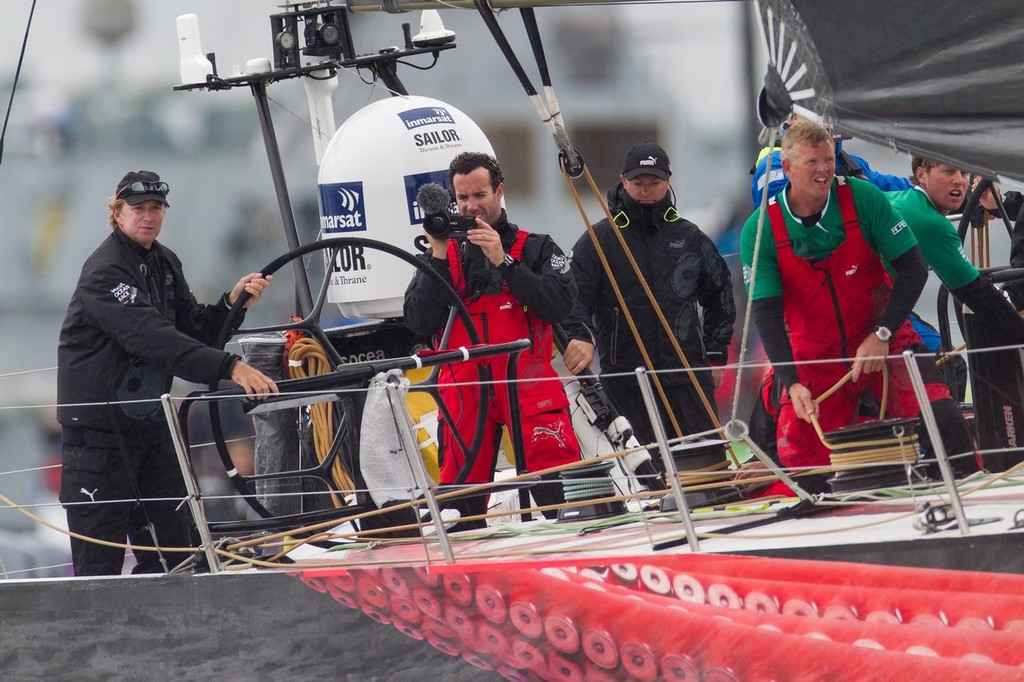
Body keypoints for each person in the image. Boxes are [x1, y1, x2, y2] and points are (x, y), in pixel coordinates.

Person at [57, 170, 279, 576]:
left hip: (152, 437)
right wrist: (230, 366)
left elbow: (191, 329)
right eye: (138, 208)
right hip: (99, 446)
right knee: (98, 572)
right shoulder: (104, 272)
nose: (148, 216)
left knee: (178, 559)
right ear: (117, 213)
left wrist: (234, 303)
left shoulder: (164, 262)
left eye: (156, 208)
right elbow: (153, 338)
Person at [738, 120, 976, 490]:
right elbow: (766, 312)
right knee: (802, 462)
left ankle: (955, 489)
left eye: (830, 158)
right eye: (813, 161)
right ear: (788, 164)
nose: (824, 171)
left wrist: (882, 333)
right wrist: (793, 383)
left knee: (945, 414)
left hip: (882, 332)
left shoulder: (860, 189)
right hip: (815, 351)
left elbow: (911, 260)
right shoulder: (762, 213)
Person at [403, 152, 580, 528]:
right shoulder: (442, 254)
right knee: (459, 505)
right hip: (464, 388)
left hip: (527, 382)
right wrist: (436, 254)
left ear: (499, 192)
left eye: (479, 195)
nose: (471, 206)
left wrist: (504, 262)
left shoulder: (536, 248)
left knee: (559, 495)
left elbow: (560, 305)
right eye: (463, 198)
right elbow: (418, 320)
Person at [562, 142, 736, 461]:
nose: (646, 190)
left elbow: (721, 295)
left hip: (687, 377)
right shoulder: (599, 238)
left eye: (654, 183)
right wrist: (581, 336)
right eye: (638, 183)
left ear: (668, 181)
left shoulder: (690, 237)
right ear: (623, 181)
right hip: (625, 380)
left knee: (708, 466)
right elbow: (572, 297)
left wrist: (715, 353)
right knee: (643, 477)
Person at [889, 158, 1024, 348]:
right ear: (921, 175)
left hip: (870, 309)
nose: (959, 180)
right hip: (865, 317)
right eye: (949, 172)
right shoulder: (930, 222)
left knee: (949, 361)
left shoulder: (901, 200)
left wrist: (999, 204)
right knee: (953, 367)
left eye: (964, 173)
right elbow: (977, 294)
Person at [751, 118, 911, 208]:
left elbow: (893, 188)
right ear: (793, 118)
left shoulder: (852, 164)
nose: (824, 116)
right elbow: (789, 213)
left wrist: (926, 184)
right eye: (814, 109)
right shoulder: (774, 164)